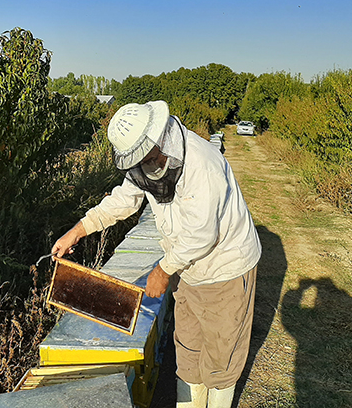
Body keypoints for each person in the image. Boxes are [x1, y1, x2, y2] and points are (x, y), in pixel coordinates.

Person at [52, 100, 261, 408]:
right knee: (188, 347)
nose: (147, 164)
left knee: (222, 354)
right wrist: (78, 230)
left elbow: (202, 234)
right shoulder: (144, 163)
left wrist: (163, 270)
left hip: (225, 268)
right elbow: (123, 200)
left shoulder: (203, 164)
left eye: (147, 156)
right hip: (187, 270)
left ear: (159, 136)